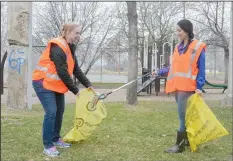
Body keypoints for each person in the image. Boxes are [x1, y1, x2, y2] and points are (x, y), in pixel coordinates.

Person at [32, 23, 94, 157]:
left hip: (54, 84)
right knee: (51, 112)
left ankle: (55, 138)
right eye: (76, 33)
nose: (78, 36)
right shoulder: (57, 46)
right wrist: (75, 90)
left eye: (79, 33)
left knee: (60, 111)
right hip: (42, 81)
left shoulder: (70, 47)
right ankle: (48, 145)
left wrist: (88, 84)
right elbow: (62, 71)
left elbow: (75, 69)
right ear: (67, 32)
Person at [164, 19, 206, 153]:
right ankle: (186, 140)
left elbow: (201, 69)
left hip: (189, 88)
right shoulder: (178, 47)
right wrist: (158, 72)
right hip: (178, 87)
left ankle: (179, 145)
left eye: (179, 30)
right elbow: (173, 67)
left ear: (187, 31)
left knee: (182, 116)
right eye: (176, 30)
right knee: (185, 116)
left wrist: (199, 86)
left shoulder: (198, 47)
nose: (177, 33)